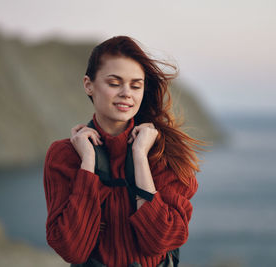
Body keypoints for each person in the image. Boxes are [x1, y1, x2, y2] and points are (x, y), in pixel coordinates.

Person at [43, 36, 203, 267]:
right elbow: (72, 250)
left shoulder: (165, 153)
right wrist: (88, 162)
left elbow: (160, 241)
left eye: (135, 85)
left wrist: (139, 158)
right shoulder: (64, 155)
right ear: (89, 85)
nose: (126, 93)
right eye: (114, 83)